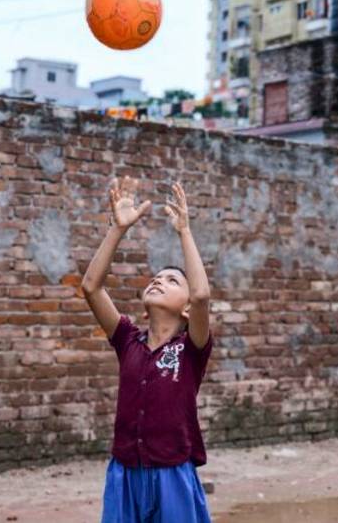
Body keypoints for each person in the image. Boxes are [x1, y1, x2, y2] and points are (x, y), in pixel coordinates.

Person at [81, 177, 213, 523]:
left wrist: (184, 231)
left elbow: (201, 295)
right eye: (156, 278)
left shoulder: (191, 348)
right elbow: (91, 288)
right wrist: (117, 230)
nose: (159, 281)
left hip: (172, 473)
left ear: (186, 310)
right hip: (125, 472)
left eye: (172, 281)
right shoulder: (127, 340)